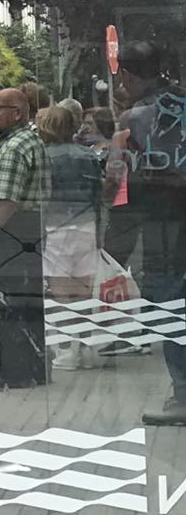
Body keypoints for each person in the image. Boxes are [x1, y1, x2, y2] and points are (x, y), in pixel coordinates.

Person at [109, 43, 186, 424]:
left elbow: (115, 176)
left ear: (126, 75)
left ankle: (183, 393)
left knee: (170, 305)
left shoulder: (134, 117)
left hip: (161, 223)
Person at [0, 87, 49, 389]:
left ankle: (17, 371)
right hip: (29, 229)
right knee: (27, 301)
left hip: (10, 231)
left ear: (18, 113)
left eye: (0, 107)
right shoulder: (29, 140)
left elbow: (8, 199)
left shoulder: (16, 147)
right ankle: (32, 367)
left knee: (6, 303)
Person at [37, 103, 104, 369]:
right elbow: (97, 194)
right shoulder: (86, 154)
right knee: (84, 292)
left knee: (60, 293)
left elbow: (41, 196)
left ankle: (66, 349)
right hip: (86, 225)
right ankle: (84, 347)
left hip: (56, 227)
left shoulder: (44, 156)